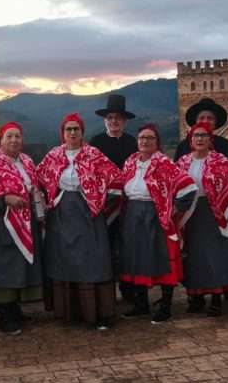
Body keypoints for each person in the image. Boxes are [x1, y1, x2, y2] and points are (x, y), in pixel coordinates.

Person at [37, 114, 123, 330]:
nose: (73, 133)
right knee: (65, 260)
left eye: (76, 129)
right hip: (62, 213)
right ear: (63, 133)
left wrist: (101, 201)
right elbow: (37, 179)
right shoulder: (53, 156)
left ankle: (99, 314)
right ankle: (70, 312)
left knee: (92, 260)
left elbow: (116, 179)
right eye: (68, 129)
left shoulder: (94, 155)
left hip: (89, 214)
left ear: (82, 132)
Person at [120, 124, 197, 323]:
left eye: (149, 138)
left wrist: (174, 209)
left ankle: (165, 307)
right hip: (133, 215)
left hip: (155, 215)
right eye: (141, 138)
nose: (145, 141)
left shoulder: (164, 163)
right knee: (136, 257)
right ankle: (141, 304)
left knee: (162, 257)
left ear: (157, 142)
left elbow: (188, 187)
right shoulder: (130, 162)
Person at [176, 122, 228, 317]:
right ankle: (196, 297)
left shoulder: (220, 160)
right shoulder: (183, 162)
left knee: (216, 255)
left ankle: (217, 297)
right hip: (191, 215)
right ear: (191, 139)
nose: (200, 139)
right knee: (193, 257)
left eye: (204, 136)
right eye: (196, 136)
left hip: (214, 213)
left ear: (211, 139)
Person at [0, 122, 44, 335]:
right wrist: (5, 198)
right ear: (1, 139)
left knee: (21, 266)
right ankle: (5, 314)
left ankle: (15, 308)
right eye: (9, 136)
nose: (14, 140)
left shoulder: (26, 161)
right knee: (6, 266)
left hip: (27, 220)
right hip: (4, 223)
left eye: (17, 136)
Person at [89, 95, 138, 304]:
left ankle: (129, 288)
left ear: (124, 121)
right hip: (105, 204)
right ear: (105, 120)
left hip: (128, 203)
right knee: (105, 246)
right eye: (110, 117)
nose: (114, 121)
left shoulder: (132, 142)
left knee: (128, 246)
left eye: (117, 118)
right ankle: (106, 290)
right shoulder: (96, 143)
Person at [174, 98, 228, 162]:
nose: (205, 121)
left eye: (210, 118)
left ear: (215, 123)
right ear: (196, 122)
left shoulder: (226, 146)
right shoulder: (183, 147)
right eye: (202, 118)